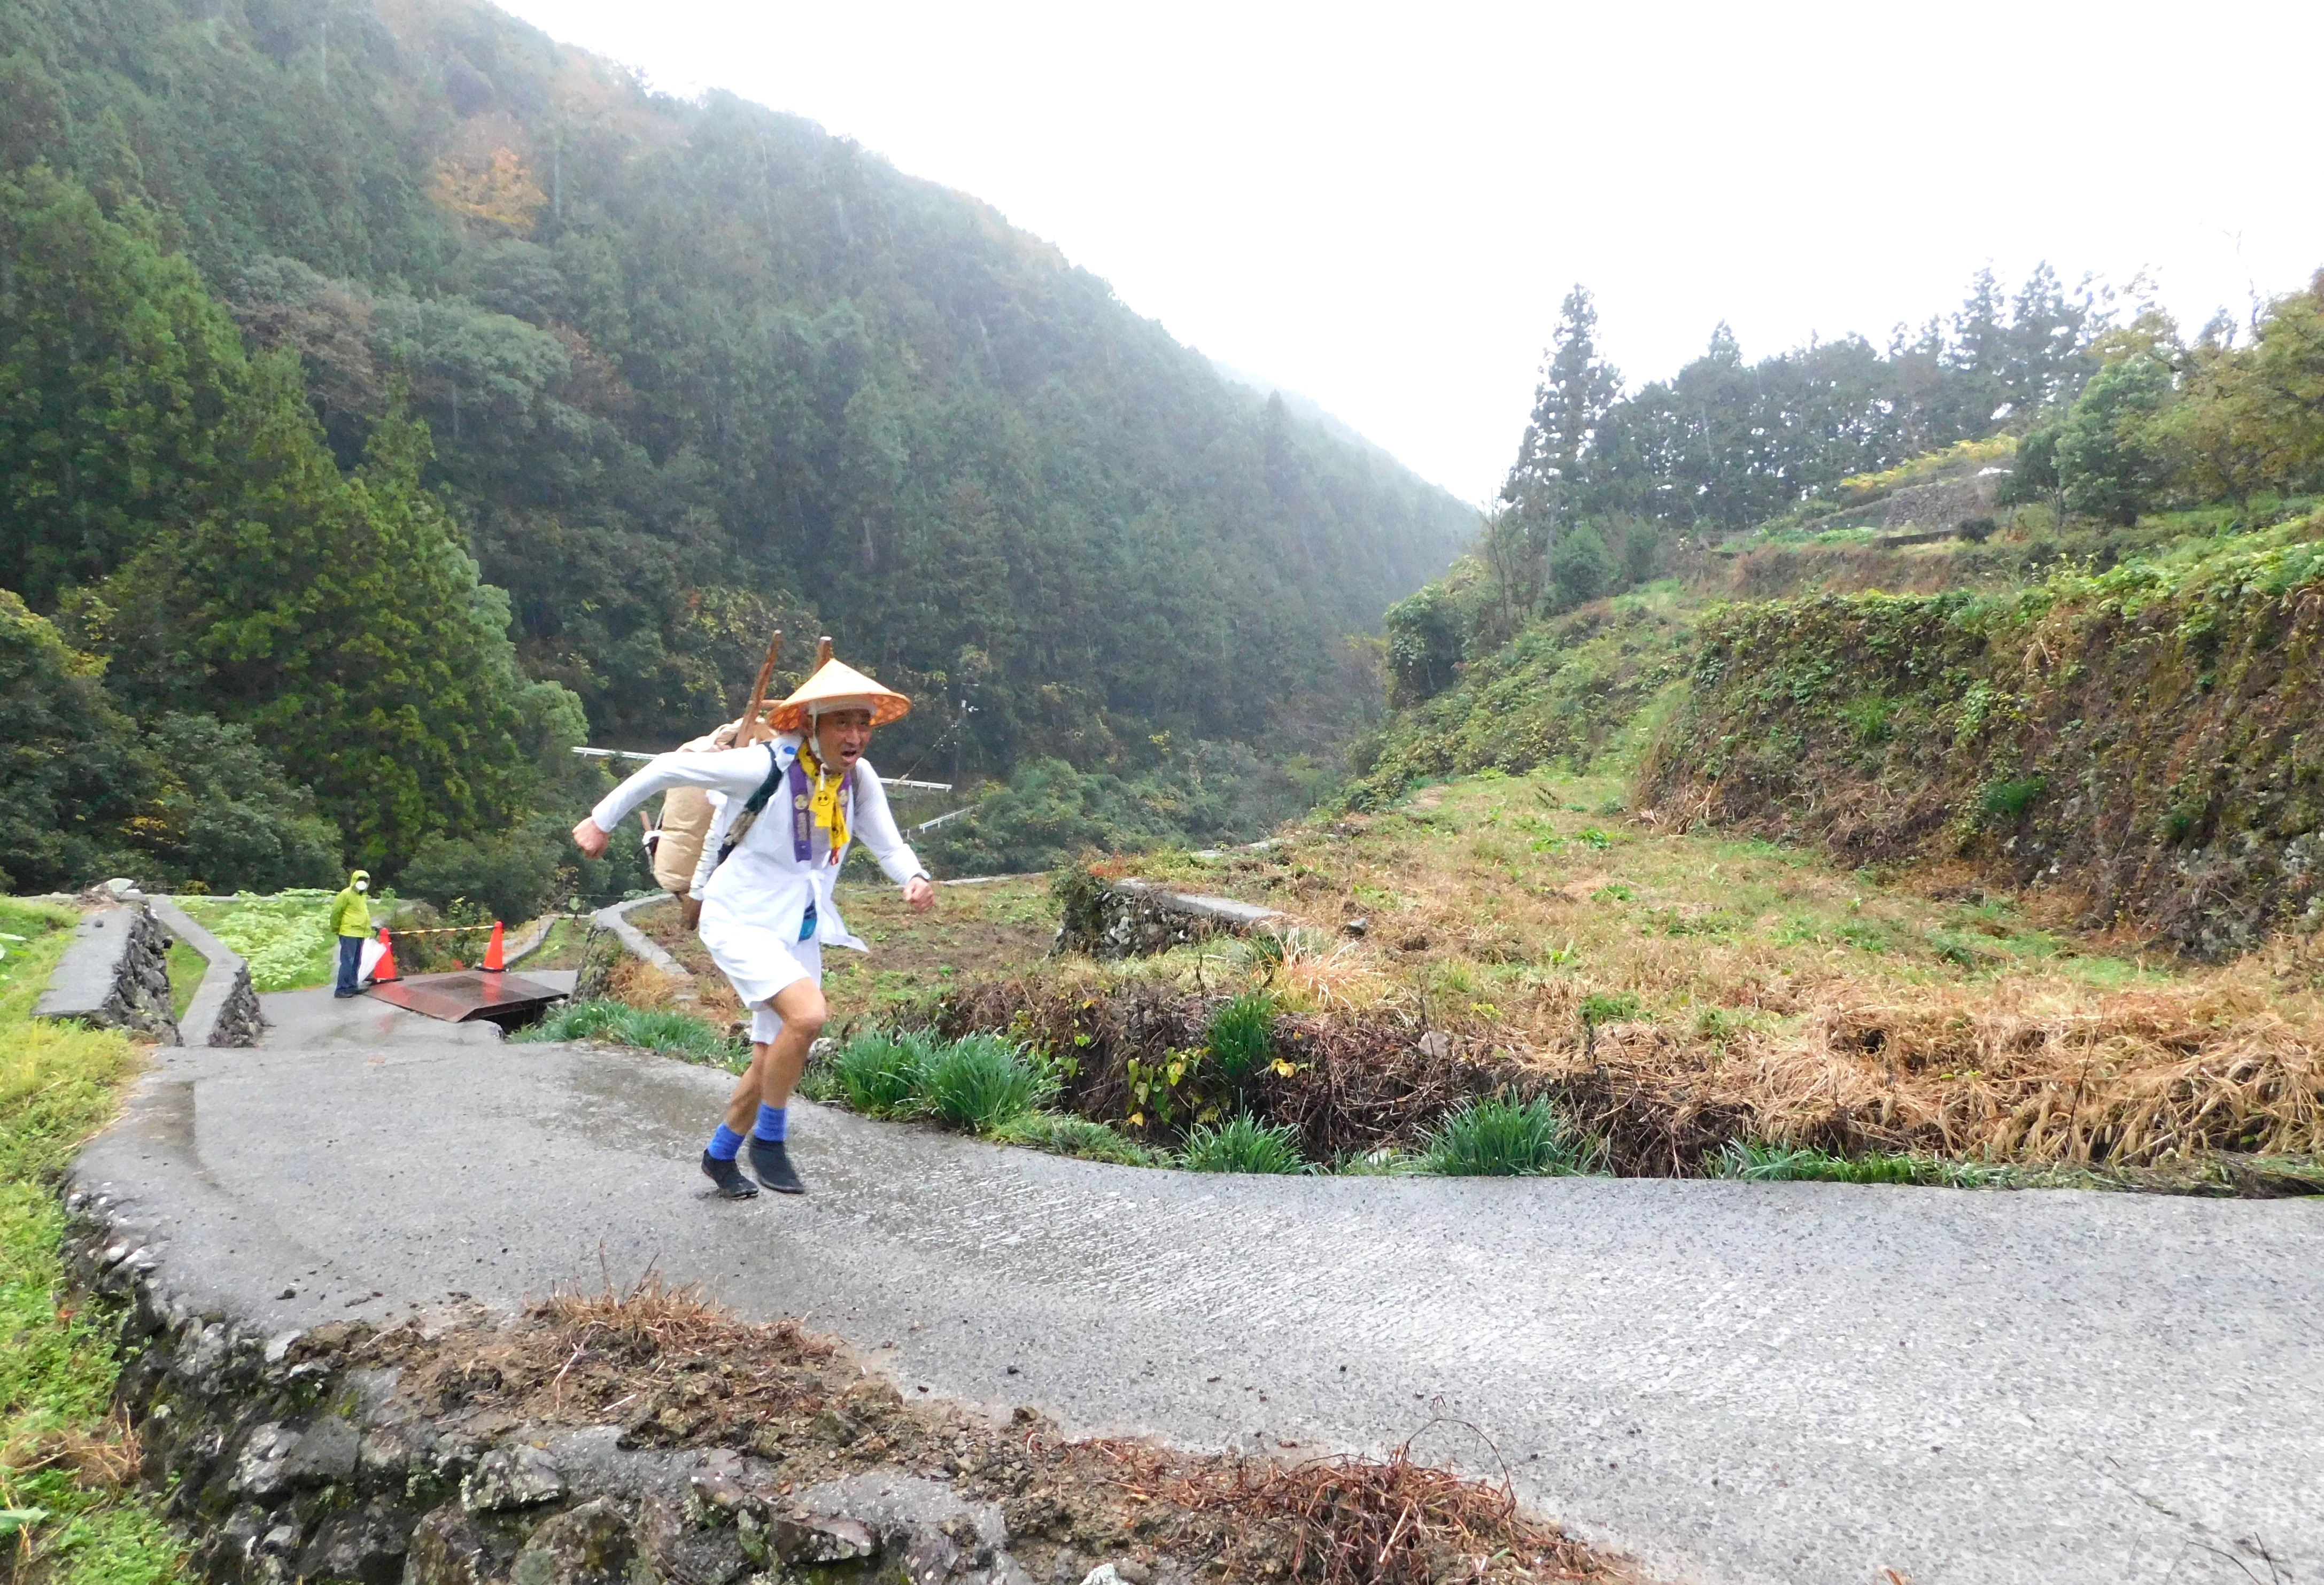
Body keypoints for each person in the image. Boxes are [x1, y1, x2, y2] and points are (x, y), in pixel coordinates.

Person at [570, 654, 935, 1197]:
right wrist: (600, 821)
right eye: (842, 722)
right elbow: (667, 768)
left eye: (863, 723)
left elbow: (888, 844)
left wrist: (914, 877)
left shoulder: (857, 780)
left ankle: (720, 1156)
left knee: (772, 1054)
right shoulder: (764, 765)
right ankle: (770, 1138)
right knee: (808, 1016)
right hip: (739, 919)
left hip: (799, 926)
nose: (855, 735)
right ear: (811, 723)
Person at [331, 870, 373, 998]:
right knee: (348, 961)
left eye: (365, 880)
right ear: (354, 880)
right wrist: (336, 928)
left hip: (359, 933)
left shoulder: (361, 896)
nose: (362, 883)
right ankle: (342, 989)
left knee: (356, 961)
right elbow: (336, 912)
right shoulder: (346, 894)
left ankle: (352, 986)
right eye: (360, 879)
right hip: (349, 932)